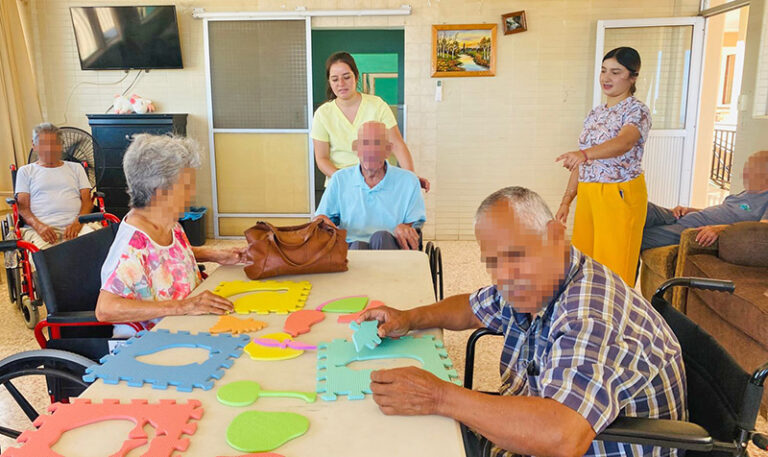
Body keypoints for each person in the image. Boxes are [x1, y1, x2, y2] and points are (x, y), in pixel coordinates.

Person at [361, 187, 686, 457]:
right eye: (493, 263)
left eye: (515, 256)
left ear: (556, 236)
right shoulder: (535, 279)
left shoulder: (589, 314)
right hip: (529, 434)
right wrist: (408, 317)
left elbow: (561, 436)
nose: (504, 277)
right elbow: (470, 308)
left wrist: (440, 396)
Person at [95, 134, 248, 337]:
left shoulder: (167, 221)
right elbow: (105, 309)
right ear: (160, 193)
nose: (192, 193)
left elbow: (163, 258)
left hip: (189, 324)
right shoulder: (132, 244)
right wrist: (183, 306)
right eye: (186, 187)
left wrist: (214, 254)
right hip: (156, 341)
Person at [555, 47, 651, 286]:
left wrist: (584, 154)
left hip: (618, 194)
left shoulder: (636, 110)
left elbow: (625, 142)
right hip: (589, 194)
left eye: (616, 72)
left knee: (614, 269)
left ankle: (616, 320)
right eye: (604, 70)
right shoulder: (596, 113)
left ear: (633, 77)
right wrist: (566, 201)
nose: (606, 78)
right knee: (584, 267)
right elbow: (582, 160)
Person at [311, 51, 430, 191]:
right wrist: (349, 180)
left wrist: (410, 178)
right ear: (330, 82)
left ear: (356, 77)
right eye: (335, 79)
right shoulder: (323, 114)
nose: (341, 84)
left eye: (346, 77)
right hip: (341, 185)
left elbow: (397, 144)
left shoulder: (377, 105)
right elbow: (322, 158)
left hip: (378, 182)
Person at [314, 121, 425, 250]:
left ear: (388, 150)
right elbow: (322, 218)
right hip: (352, 248)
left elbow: (416, 223)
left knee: (381, 237)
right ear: (356, 148)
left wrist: (405, 226)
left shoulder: (408, 181)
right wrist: (321, 219)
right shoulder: (339, 179)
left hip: (394, 248)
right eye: (365, 143)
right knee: (357, 246)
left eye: (377, 143)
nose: (371, 151)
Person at [642, 150, 768, 250]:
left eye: (752, 170)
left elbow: (761, 229)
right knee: (638, 207)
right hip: (684, 217)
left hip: (692, 230)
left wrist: (721, 229)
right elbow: (721, 212)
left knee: (634, 238)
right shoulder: (747, 193)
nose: (745, 174)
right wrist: (689, 209)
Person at [15, 123, 99, 249]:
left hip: (78, 226)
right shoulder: (25, 172)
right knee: (44, 261)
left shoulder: (76, 168)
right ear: (34, 145)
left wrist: (78, 222)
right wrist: (39, 226)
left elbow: (87, 202)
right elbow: (23, 208)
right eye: (43, 144)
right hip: (41, 230)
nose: (49, 148)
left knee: (96, 247)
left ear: (61, 145)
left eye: (54, 143)